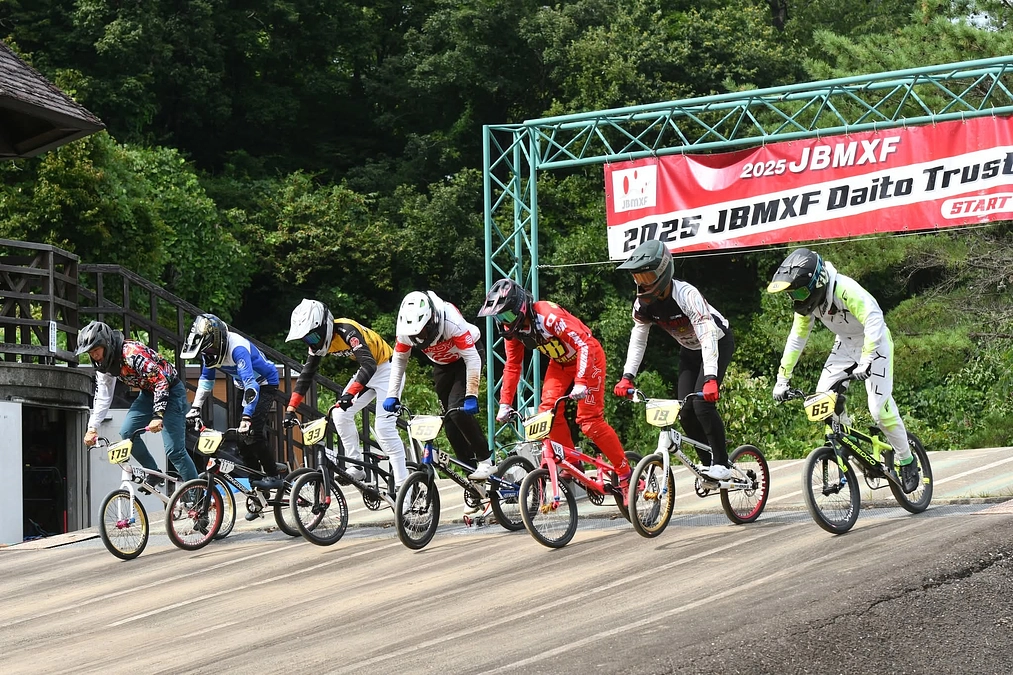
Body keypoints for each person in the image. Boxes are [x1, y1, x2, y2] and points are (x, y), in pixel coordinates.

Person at [767, 247, 920, 493]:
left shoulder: (844, 289)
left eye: (801, 291)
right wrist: (782, 378)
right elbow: (796, 339)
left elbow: (874, 318)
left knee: (879, 411)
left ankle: (907, 460)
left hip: (875, 343)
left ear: (819, 281)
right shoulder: (810, 304)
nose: (797, 299)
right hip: (846, 346)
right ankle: (847, 443)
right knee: (823, 402)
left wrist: (868, 358)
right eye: (792, 294)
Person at [477, 279, 631, 492]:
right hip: (560, 363)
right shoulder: (512, 331)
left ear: (520, 307)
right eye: (500, 317)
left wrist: (581, 382)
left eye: (506, 315)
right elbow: (513, 366)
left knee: (589, 422)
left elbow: (584, 343)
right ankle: (572, 462)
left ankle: (624, 471)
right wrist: (504, 403)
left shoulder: (547, 315)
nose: (504, 322)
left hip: (587, 358)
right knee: (546, 415)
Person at [612, 240, 735, 481]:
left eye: (646, 277)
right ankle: (708, 466)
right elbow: (638, 340)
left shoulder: (687, 295)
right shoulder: (642, 305)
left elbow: (708, 334)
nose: (641, 284)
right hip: (689, 351)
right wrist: (627, 377)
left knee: (702, 406)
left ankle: (722, 463)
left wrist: (710, 378)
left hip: (716, 344)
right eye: (638, 278)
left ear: (663, 273)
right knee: (686, 412)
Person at [382, 291, 491, 513]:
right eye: (416, 335)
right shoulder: (405, 330)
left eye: (423, 332)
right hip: (442, 365)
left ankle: (486, 461)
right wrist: (392, 395)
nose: (420, 339)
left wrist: (472, 394)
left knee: (458, 411)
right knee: (450, 426)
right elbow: (399, 361)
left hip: (467, 357)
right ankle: (474, 486)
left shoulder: (450, 319)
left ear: (432, 320)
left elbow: (472, 358)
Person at [283, 299, 408, 490]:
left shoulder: (347, 330)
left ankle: (403, 486)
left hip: (389, 370)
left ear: (325, 326)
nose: (312, 343)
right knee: (340, 413)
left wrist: (349, 394)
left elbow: (369, 364)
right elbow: (306, 375)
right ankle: (356, 466)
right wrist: (291, 409)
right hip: (369, 372)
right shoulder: (318, 344)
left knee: (384, 429)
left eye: (313, 338)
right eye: (307, 340)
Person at [181, 314, 283, 513]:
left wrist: (247, 418)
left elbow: (252, 386)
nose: (208, 353)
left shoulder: (237, 348)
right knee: (240, 439)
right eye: (204, 351)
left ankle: (273, 475)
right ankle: (257, 486)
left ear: (218, 340)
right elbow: (206, 381)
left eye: (209, 349)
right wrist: (194, 409)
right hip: (243, 385)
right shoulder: (208, 351)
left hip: (264, 383)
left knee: (253, 432)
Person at [78, 320, 198, 486]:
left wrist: (158, 415)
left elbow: (161, 380)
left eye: (96, 350)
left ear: (106, 344)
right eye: (90, 353)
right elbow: (103, 395)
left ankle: (198, 497)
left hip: (170, 392)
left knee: (174, 451)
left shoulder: (132, 353)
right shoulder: (104, 366)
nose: (94, 356)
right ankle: (154, 473)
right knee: (127, 433)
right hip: (148, 394)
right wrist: (92, 428)